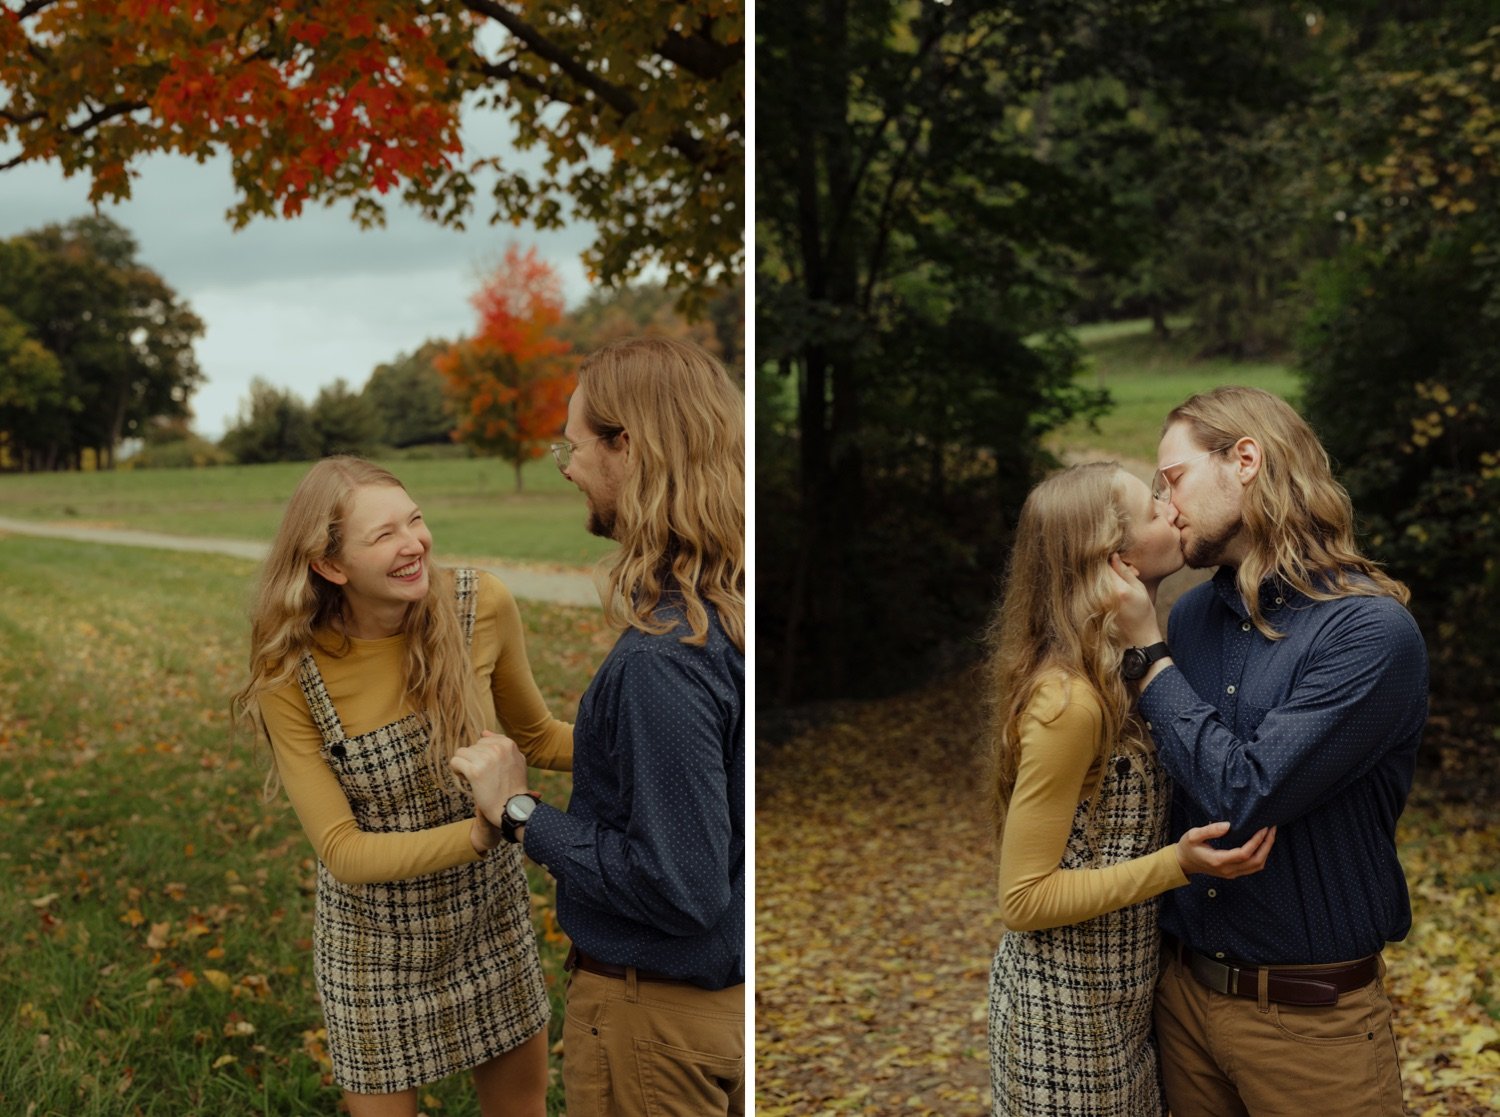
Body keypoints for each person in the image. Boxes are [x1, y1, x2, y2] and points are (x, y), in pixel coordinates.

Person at [1110, 386, 1428, 1117]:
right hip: (1181, 1001)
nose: (1166, 503)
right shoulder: (1191, 615)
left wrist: (1147, 660)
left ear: (1244, 459)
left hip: (1311, 1028)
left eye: (1175, 477)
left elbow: (1243, 793)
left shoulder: (1369, 634)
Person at [450, 335, 745, 1117]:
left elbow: (680, 885)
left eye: (573, 446)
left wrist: (518, 812)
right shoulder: (735, 608)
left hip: (655, 1027)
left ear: (629, 446)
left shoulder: (667, 657)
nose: (568, 467)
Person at [232, 456, 572, 1117]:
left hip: (488, 919)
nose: (414, 542)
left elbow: (541, 738)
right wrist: (482, 829)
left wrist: (665, 739)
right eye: (384, 534)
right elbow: (343, 850)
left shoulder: (482, 604)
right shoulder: (290, 669)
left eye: (415, 520)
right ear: (332, 565)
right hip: (372, 944)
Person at [983, 461, 1276, 1117]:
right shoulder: (1071, 700)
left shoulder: (1126, 666)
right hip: (1060, 1018)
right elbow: (1023, 897)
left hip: (1122, 1004)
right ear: (1112, 557)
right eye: (1151, 506)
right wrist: (1179, 863)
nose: (1171, 509)